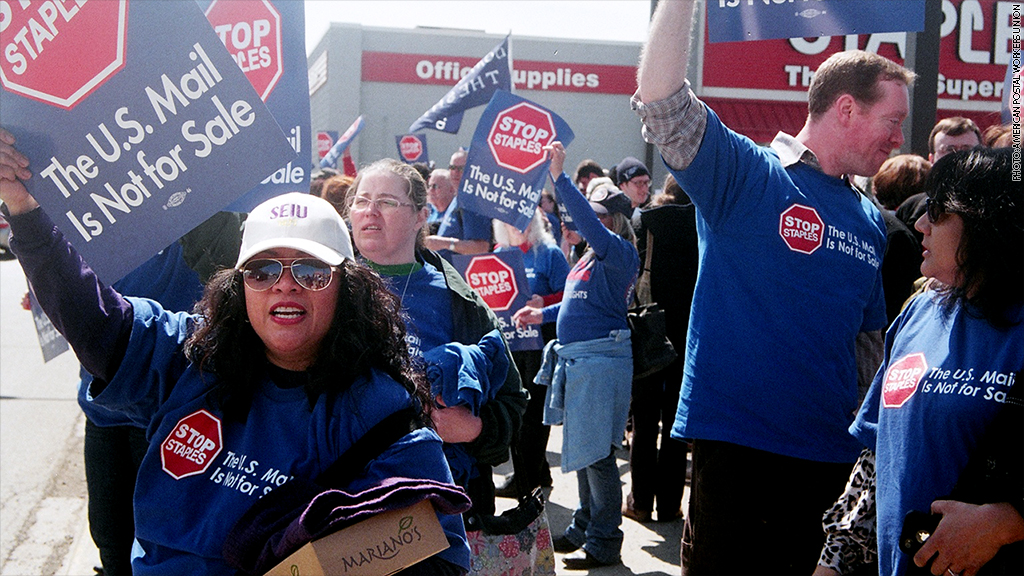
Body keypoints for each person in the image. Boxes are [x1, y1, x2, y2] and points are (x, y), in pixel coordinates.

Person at [0, 129, 471, 575]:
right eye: (262, 270)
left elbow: (435, 554)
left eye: (311, 271)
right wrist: (24, 208)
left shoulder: (380, 412)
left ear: (348, 290)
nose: (284, 283)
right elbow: (93, 317)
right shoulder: (190, 357)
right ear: (237, 287)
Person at [633, 2, 909, 573]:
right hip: (739, 459)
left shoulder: (871, 220)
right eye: (893, 121)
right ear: (848, 109)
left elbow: (868, 347)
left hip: (830, 466)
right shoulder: (750, 175)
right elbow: (663, 105)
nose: (898, 138)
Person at [815, 147, 1024, 576]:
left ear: (985, 226)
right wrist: (832, 563)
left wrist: (1007, 523)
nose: (919, 224)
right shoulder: (919, 310)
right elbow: (875, 464)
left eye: (939, 211)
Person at [344, 158, 526, 523]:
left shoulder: (461, 300)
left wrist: (473, 428)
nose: (370, 212)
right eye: (361, 201)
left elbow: (512, 403)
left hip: (439, 505)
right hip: (344, 497)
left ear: (420, 216)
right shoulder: (325, 286)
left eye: (387, 202)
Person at [514, 142, 638, 570]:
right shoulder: (590, 256)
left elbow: (586, 220)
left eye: (597, 215)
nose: (585, 220)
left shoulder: (617, 251)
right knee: (586, 451)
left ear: (613, 220)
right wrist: (541, 312)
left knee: (597, 454)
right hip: (584, 360)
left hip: (600, 361)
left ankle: (604, 539)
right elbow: (575, 302)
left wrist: (560, 177)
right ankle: (586, 525)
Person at [623, 174, 696, 525]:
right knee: (676, 423)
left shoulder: (644, 221)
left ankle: (640, 501)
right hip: (688, 332)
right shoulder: (703, 222)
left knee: (645, 420)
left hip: (650, 329)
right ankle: (670, 505)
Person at [493, 209, 570, 498]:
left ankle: (525, 480)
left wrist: (544, 302)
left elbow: (569, 295)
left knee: (534, 412)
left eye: (524, 219)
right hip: (512, 344)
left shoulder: (549, 252)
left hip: (540, 345)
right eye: (510, 221)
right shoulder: (499, 253)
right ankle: (537, 471)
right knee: (517, 409)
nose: (517, 226)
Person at [896, 117, 981, 233]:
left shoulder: (995, 205)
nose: (959, 157)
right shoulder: (912, 209)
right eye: (949, 150)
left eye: (967, 150)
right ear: (931, 159)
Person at [424, 149, 492, 257]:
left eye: (462, 169)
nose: (455, 172)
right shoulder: (459, 198)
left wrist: (443, 243)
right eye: (452, 168)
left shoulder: (472, 201)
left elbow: (481, 247)